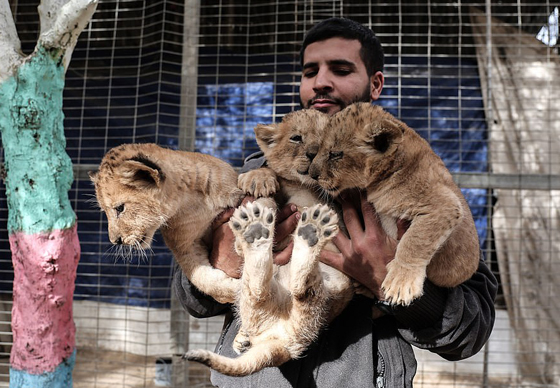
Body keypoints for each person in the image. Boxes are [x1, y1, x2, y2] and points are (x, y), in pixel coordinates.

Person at [173, 17, 497, 387]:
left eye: (341, 70)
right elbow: (191, 299)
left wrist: (387, 281)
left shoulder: (409, 170)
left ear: (375, 84)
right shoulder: (258, 171)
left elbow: (470, 330)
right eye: (310, 71)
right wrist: (225, 262)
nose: (321, 82)